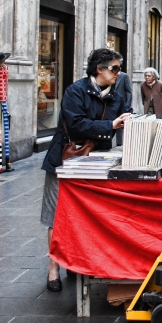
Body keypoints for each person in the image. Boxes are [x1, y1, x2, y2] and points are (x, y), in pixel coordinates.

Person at [40, 48, 132, 291]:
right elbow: (76, 123)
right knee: (56, 213)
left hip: (98, 161)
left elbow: (128, 115)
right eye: (114, 68)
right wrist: (110, 124)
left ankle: (79, 260)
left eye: (119, 68)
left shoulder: (116, 95)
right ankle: (53, 268)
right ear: (98, 69)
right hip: (66, 158)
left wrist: (150, 120)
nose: (118, 73)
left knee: (88, 213)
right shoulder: (75, 91)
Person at [113, 64, 133, 146]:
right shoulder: (108, 78)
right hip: (112, 103)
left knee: (120, 123)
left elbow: (129, 91)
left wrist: (127, 104)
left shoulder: (124, 76)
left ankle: (119, 142)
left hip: (122, 103)